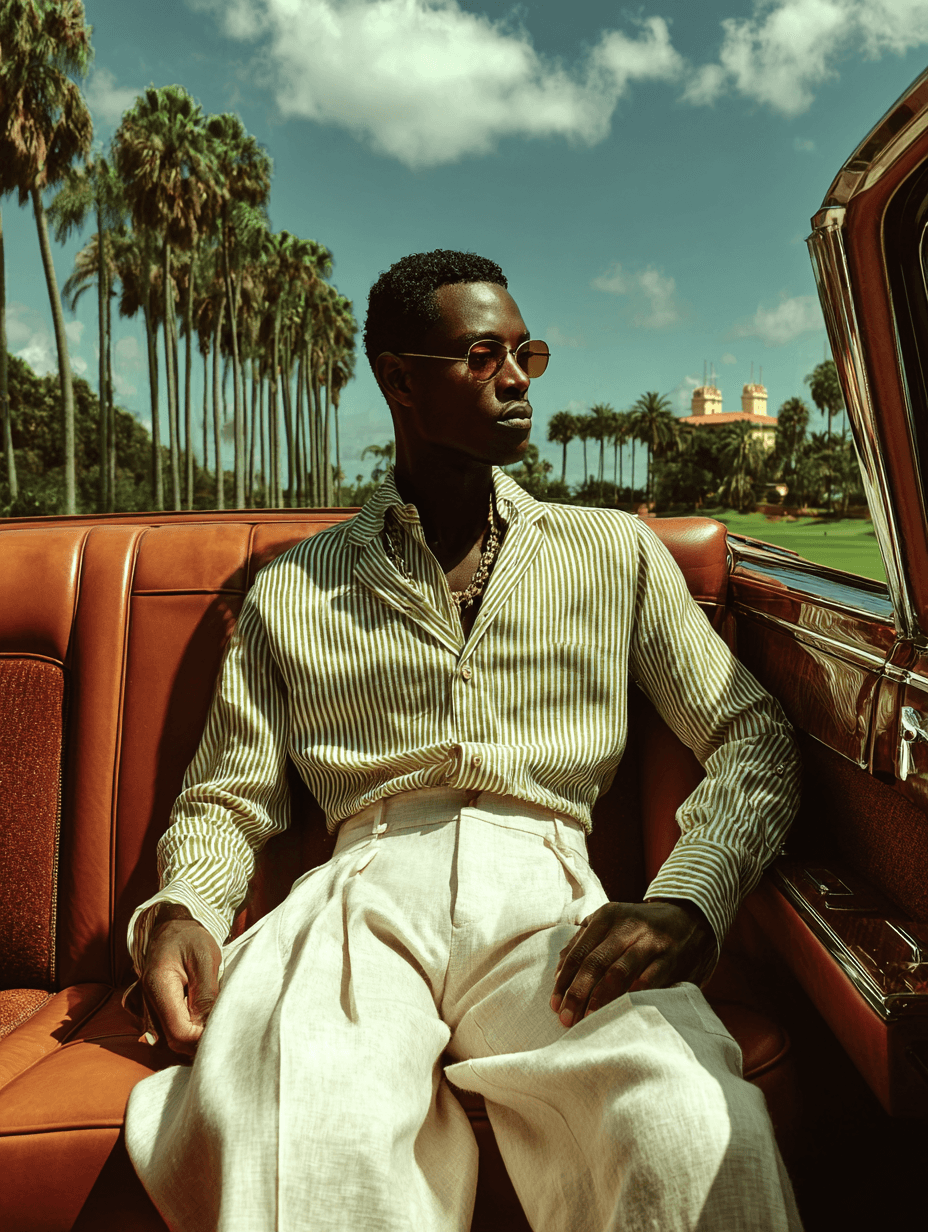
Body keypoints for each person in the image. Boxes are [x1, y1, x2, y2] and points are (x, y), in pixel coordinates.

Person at [124, 250, 803, 1232]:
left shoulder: (612, 552)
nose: (517, 377)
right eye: (483, 355)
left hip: (549, 902)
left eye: (526, 353)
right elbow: (226, 797)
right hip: (359, 899)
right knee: (306, 1143)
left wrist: (691, 897)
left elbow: (753, 734)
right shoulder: (293, 588)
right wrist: (182, 908)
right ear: (399, 380)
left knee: (685, 1124)